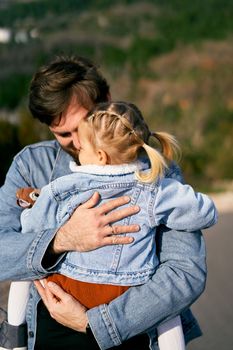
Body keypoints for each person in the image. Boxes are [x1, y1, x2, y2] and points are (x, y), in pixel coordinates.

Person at [0, 56, 207, 350]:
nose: (77, 142)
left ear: (107, 102)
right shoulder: (31, 165)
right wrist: (62, 239)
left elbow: (185, 272)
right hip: (49, 333)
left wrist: (95, 323)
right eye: (63, 134)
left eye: (83, 125)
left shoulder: (155, 170)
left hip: (135, 333)